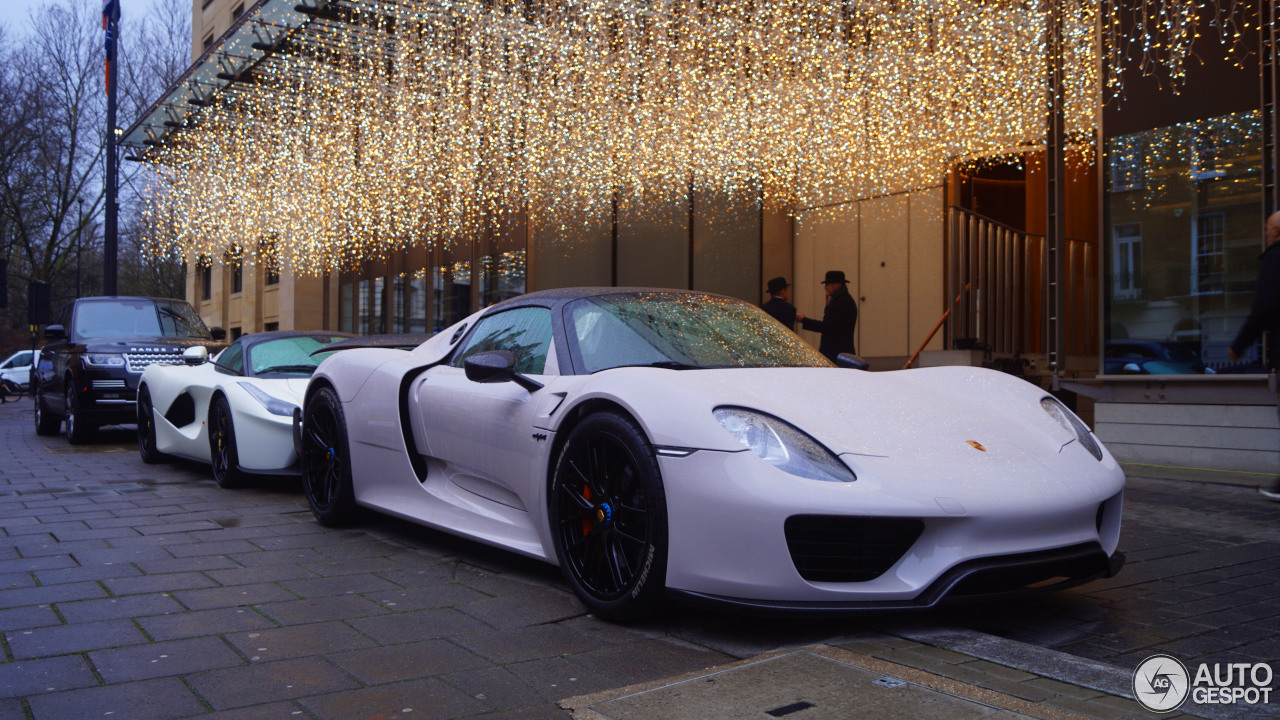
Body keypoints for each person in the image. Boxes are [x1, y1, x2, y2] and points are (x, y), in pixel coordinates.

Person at [1229, 211, 1280, 500]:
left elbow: (1265, 307)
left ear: (1275, 231)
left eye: (1266, 229)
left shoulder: (1275, 258)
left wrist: (1239, 345)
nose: (1265, 234)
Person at [801, 270, 857, 363]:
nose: (825, 287)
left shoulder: (841, 302)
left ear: (836, 285)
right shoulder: (843, 300)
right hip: (840, 353)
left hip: (836, 354)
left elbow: (826, 326)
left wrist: (803, 320)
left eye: (827, 284)